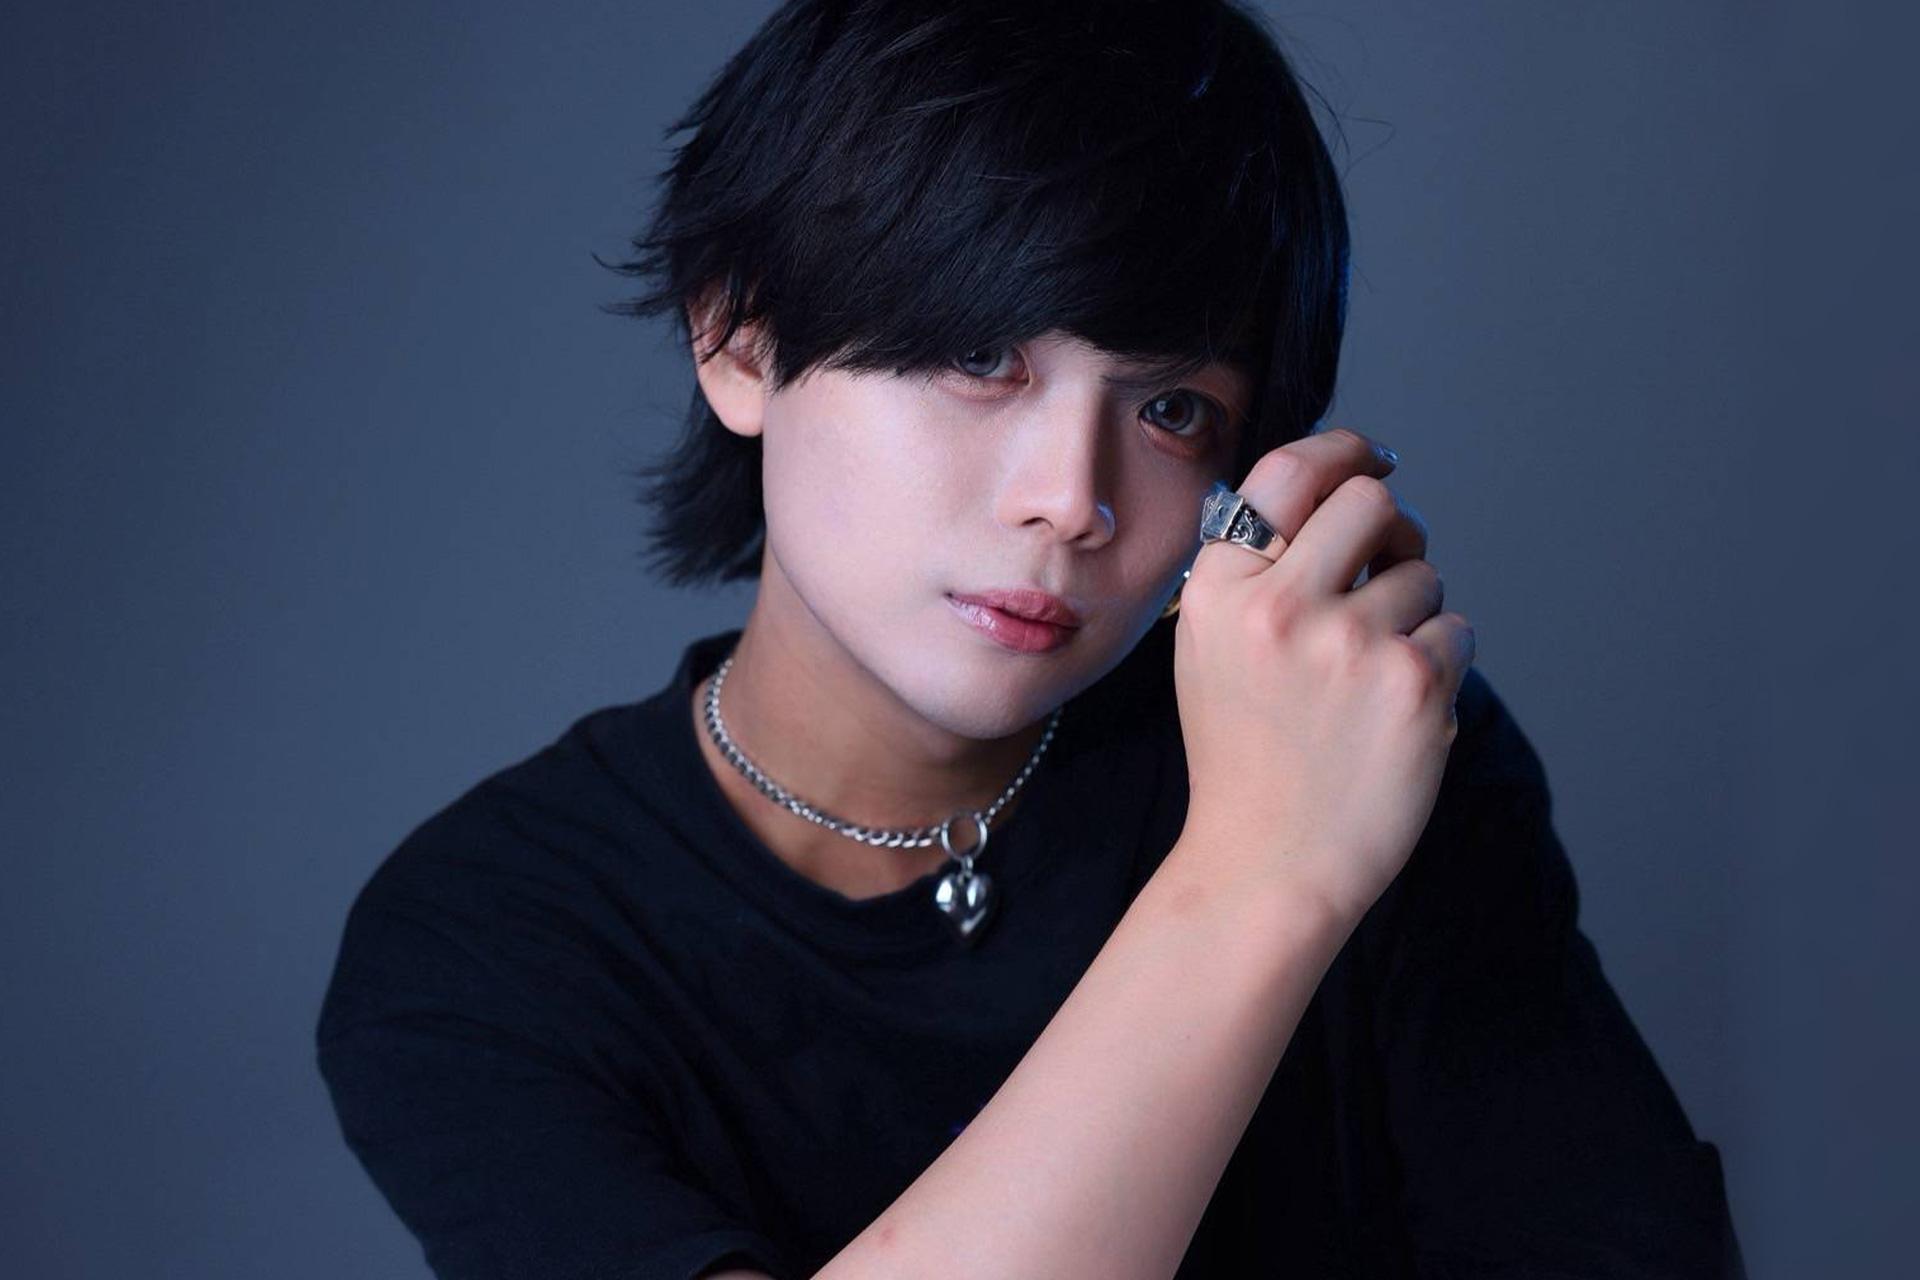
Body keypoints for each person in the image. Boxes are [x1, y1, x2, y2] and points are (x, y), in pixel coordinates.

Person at [314, 2, 1745, 1277]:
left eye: (1171, 408)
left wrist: (1298, 830)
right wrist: (1263, 878)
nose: (1071, 499)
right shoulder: (485, 941)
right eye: (981, 356)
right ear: (740, 338)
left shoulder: (1355, 745)